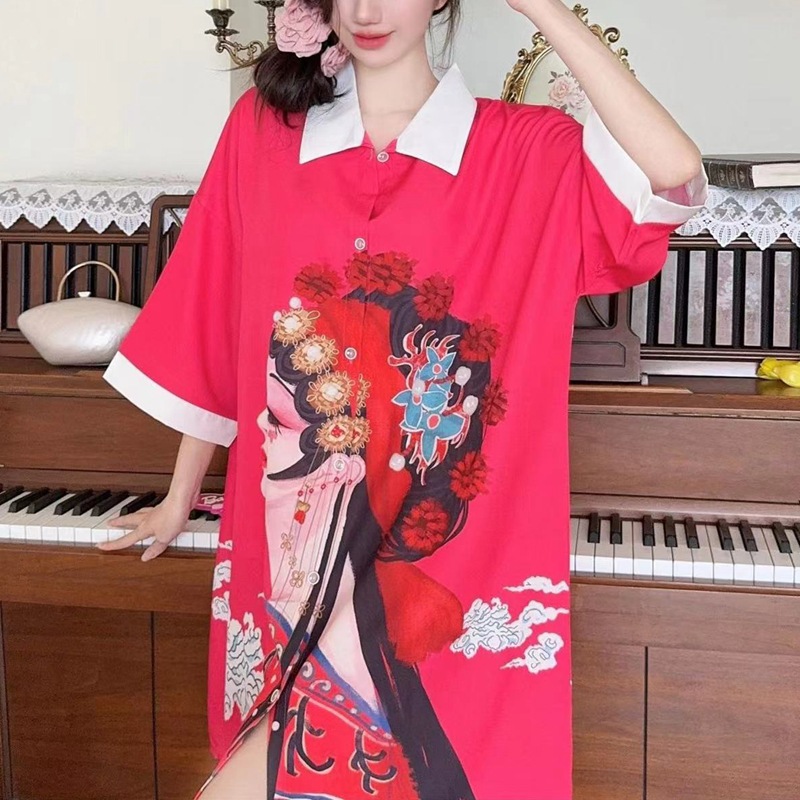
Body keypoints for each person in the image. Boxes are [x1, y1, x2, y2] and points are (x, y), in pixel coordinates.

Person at [98, 0, 709, 797]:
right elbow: (224, 323)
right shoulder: (263, 133)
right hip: (293, 559)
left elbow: (671, 172)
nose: (365, 10)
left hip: (447, 563)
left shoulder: (523, 151)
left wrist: (539, 6)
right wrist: (180, 496)